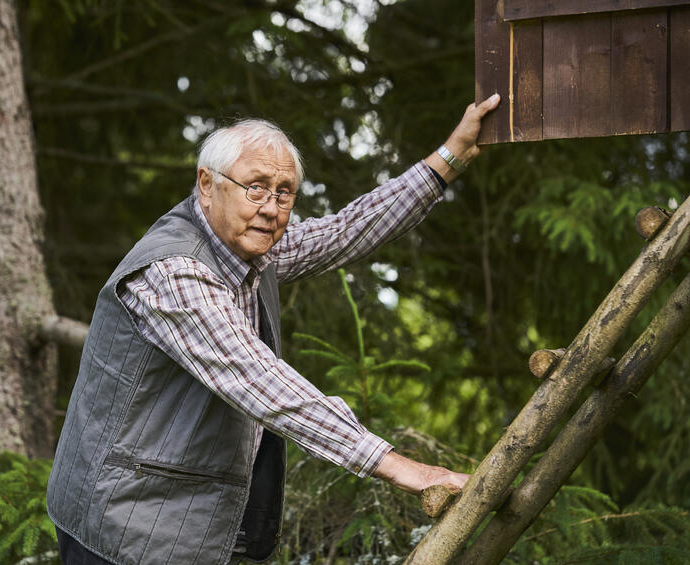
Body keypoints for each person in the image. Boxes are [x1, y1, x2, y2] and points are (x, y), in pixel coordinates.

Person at [47, 93, 501, 565]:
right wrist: (401, 468)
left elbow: (345, 230)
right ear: (207, 184)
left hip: (184, 521)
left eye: (284, 192)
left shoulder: (250, 248)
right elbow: (260, 381)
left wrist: (450, 158)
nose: (271, 207)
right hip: (124, 529)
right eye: (256, 187)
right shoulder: (172, 272)